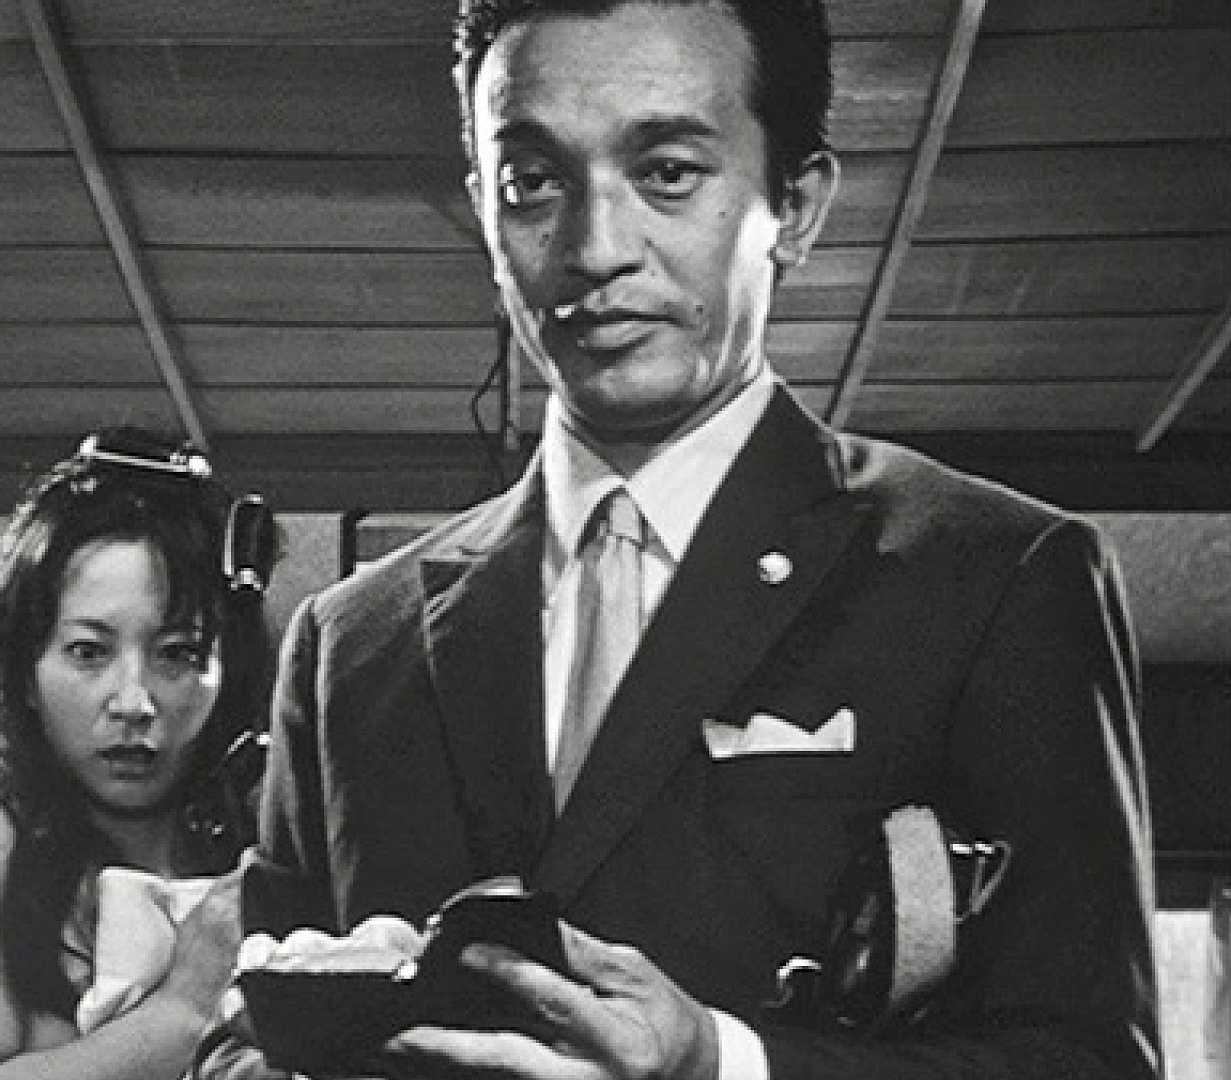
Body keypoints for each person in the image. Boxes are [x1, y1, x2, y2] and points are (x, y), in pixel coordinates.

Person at [201, 1, 1160, 1078]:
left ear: (796, 206)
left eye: (666, 173)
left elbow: (1092, 1064)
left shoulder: (994, 578)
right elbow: (238, 1040)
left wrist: (721, 1060)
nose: (595, 249)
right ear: (482, 210)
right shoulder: (348, 643)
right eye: (534, 183)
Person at [0, 428, 280, 1080]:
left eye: (178, 653)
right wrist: (187, 1005)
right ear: (26, 672)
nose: (134, 701)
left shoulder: (262, 848)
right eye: (89, 652)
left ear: (229, 673)